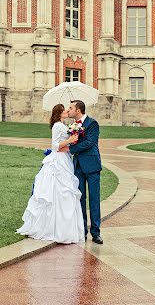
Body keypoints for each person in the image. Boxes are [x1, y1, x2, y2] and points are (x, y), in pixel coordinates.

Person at [16, 104, 85, 244]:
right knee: (58, 191)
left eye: (68, 109)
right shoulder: (57, 126)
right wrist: (70, 140)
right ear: (59, 113)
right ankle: (53, 227)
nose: (66, 111)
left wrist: (73, 137)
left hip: (65, 159)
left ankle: (64, 227)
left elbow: (64, 143)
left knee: (66, 191)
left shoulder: (63, 125)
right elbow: (54, 145)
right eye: (64, 109)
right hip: (58, 161)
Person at [67, 100, 103, 244]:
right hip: (78, 167)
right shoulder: (72, 126)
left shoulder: (92, 123)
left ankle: (96, 232)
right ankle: (82, 230)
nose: (68, 110)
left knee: (94, 200)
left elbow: (90, 142)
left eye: (71, 108)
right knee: (80, 199)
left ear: (78, 110)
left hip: (92, 165)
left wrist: (71, 149)